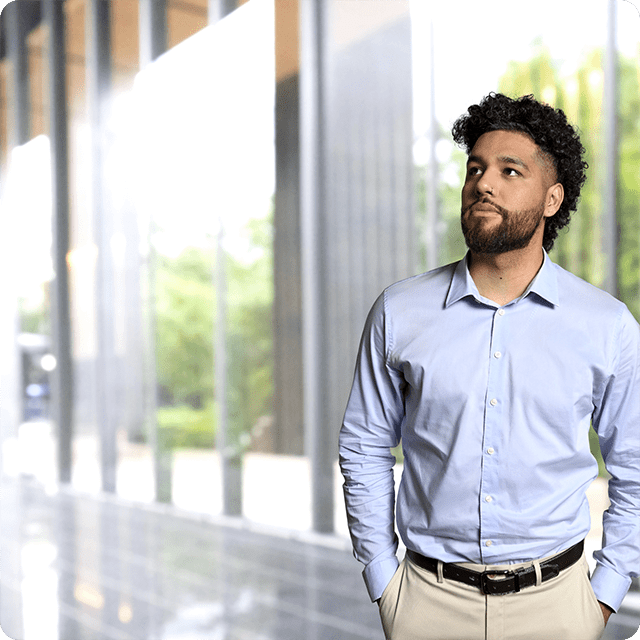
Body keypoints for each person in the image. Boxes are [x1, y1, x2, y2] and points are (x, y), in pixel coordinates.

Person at [338, 93, 640, 640]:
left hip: (558, 608)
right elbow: (363, 444)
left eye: (509, 170)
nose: (483, 183)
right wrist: (382, 577)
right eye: (475, 168)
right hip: (425, 604)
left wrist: (605, 591)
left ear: (552, 199)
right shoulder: (399, 311)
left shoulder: (607, 325)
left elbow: (637, 466)